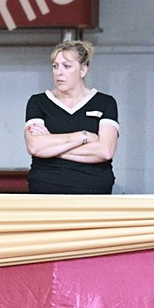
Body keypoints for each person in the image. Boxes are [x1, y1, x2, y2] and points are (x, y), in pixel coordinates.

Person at [24, 40, 119, 194]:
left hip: (93, 188)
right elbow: (35, 147)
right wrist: (84, 136)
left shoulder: (105, 103)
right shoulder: (38, 102)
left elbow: (105, 151)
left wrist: (52, 147)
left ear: (83, 70)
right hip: (46, 187)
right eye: (55, 66)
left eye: (66, 66)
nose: (59, 72)